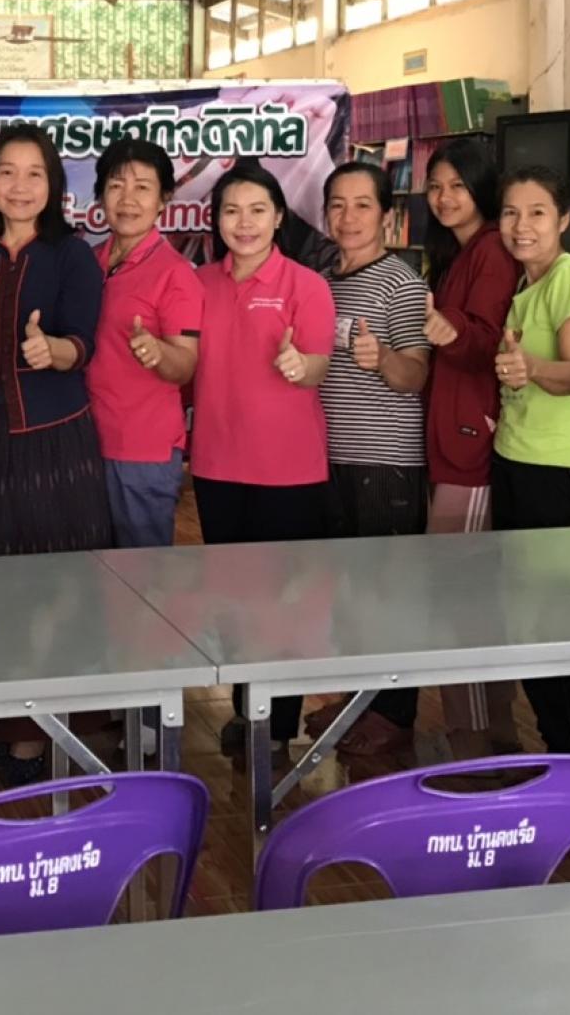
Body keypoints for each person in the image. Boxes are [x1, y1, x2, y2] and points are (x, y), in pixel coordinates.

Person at [0, 123, 111, 783]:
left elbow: (82, 342)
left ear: (54, 184)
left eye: (35, 173)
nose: (20, 185)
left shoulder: (73, 256)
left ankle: (47, 733)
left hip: (53, 444)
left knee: (51, 586)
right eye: (7, 171)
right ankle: (4, 720)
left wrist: (51, 349)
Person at [189, 159, 335, 766]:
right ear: (216, 219)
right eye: (231, 211)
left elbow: (319, 363)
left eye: (257, 210)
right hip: (216, 465)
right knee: (232, 598)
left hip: (289, 471)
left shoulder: (306, 285)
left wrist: (302, 366)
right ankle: (247, 708)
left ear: (278, 217)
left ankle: (278, 725)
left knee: (283, 604)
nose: (243, 223)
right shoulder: (199, 283)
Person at [304, 161, 431, 758]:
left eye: (362, 205)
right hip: (326, 458)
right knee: (348, 592)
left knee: (389, 593)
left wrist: (382, 358)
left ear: (386, 214)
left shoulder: (399, 282)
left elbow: (416, 372)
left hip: (385, 460)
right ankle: (359, 701)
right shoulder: (320, 281)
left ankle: (395, 715)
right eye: (337, 204)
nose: (348, 217)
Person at [491, 165, 570, 758]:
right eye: (511, 213)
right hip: (519, 463)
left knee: (556, 629)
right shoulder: (527, 288)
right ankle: (561, 753)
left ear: (564, 219)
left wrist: (532, 369)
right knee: (529, 623)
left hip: (563, 474)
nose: (522, 225)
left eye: (537, 212)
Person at [418, 137, 522, 758]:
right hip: (451, 440)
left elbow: (486, 340)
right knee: (461, 593)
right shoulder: (458, 254)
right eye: (435, 186)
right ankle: (481, 734)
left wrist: (447, 329)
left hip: (470, 446)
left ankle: (480, 742)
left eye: (457, 185)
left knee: (462, 598)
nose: (444, 197)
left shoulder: (490, 252)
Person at [87, 138, 200, 550]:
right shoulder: (88, 261)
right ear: (101, 195)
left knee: (141, 575)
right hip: (84, 441)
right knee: (88, 568)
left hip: (141, 452)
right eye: (116, 186)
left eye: (142, 187)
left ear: (164, 198)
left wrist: (158, 353)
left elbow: (185, 364)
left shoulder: (175, 273)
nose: (128, 199)